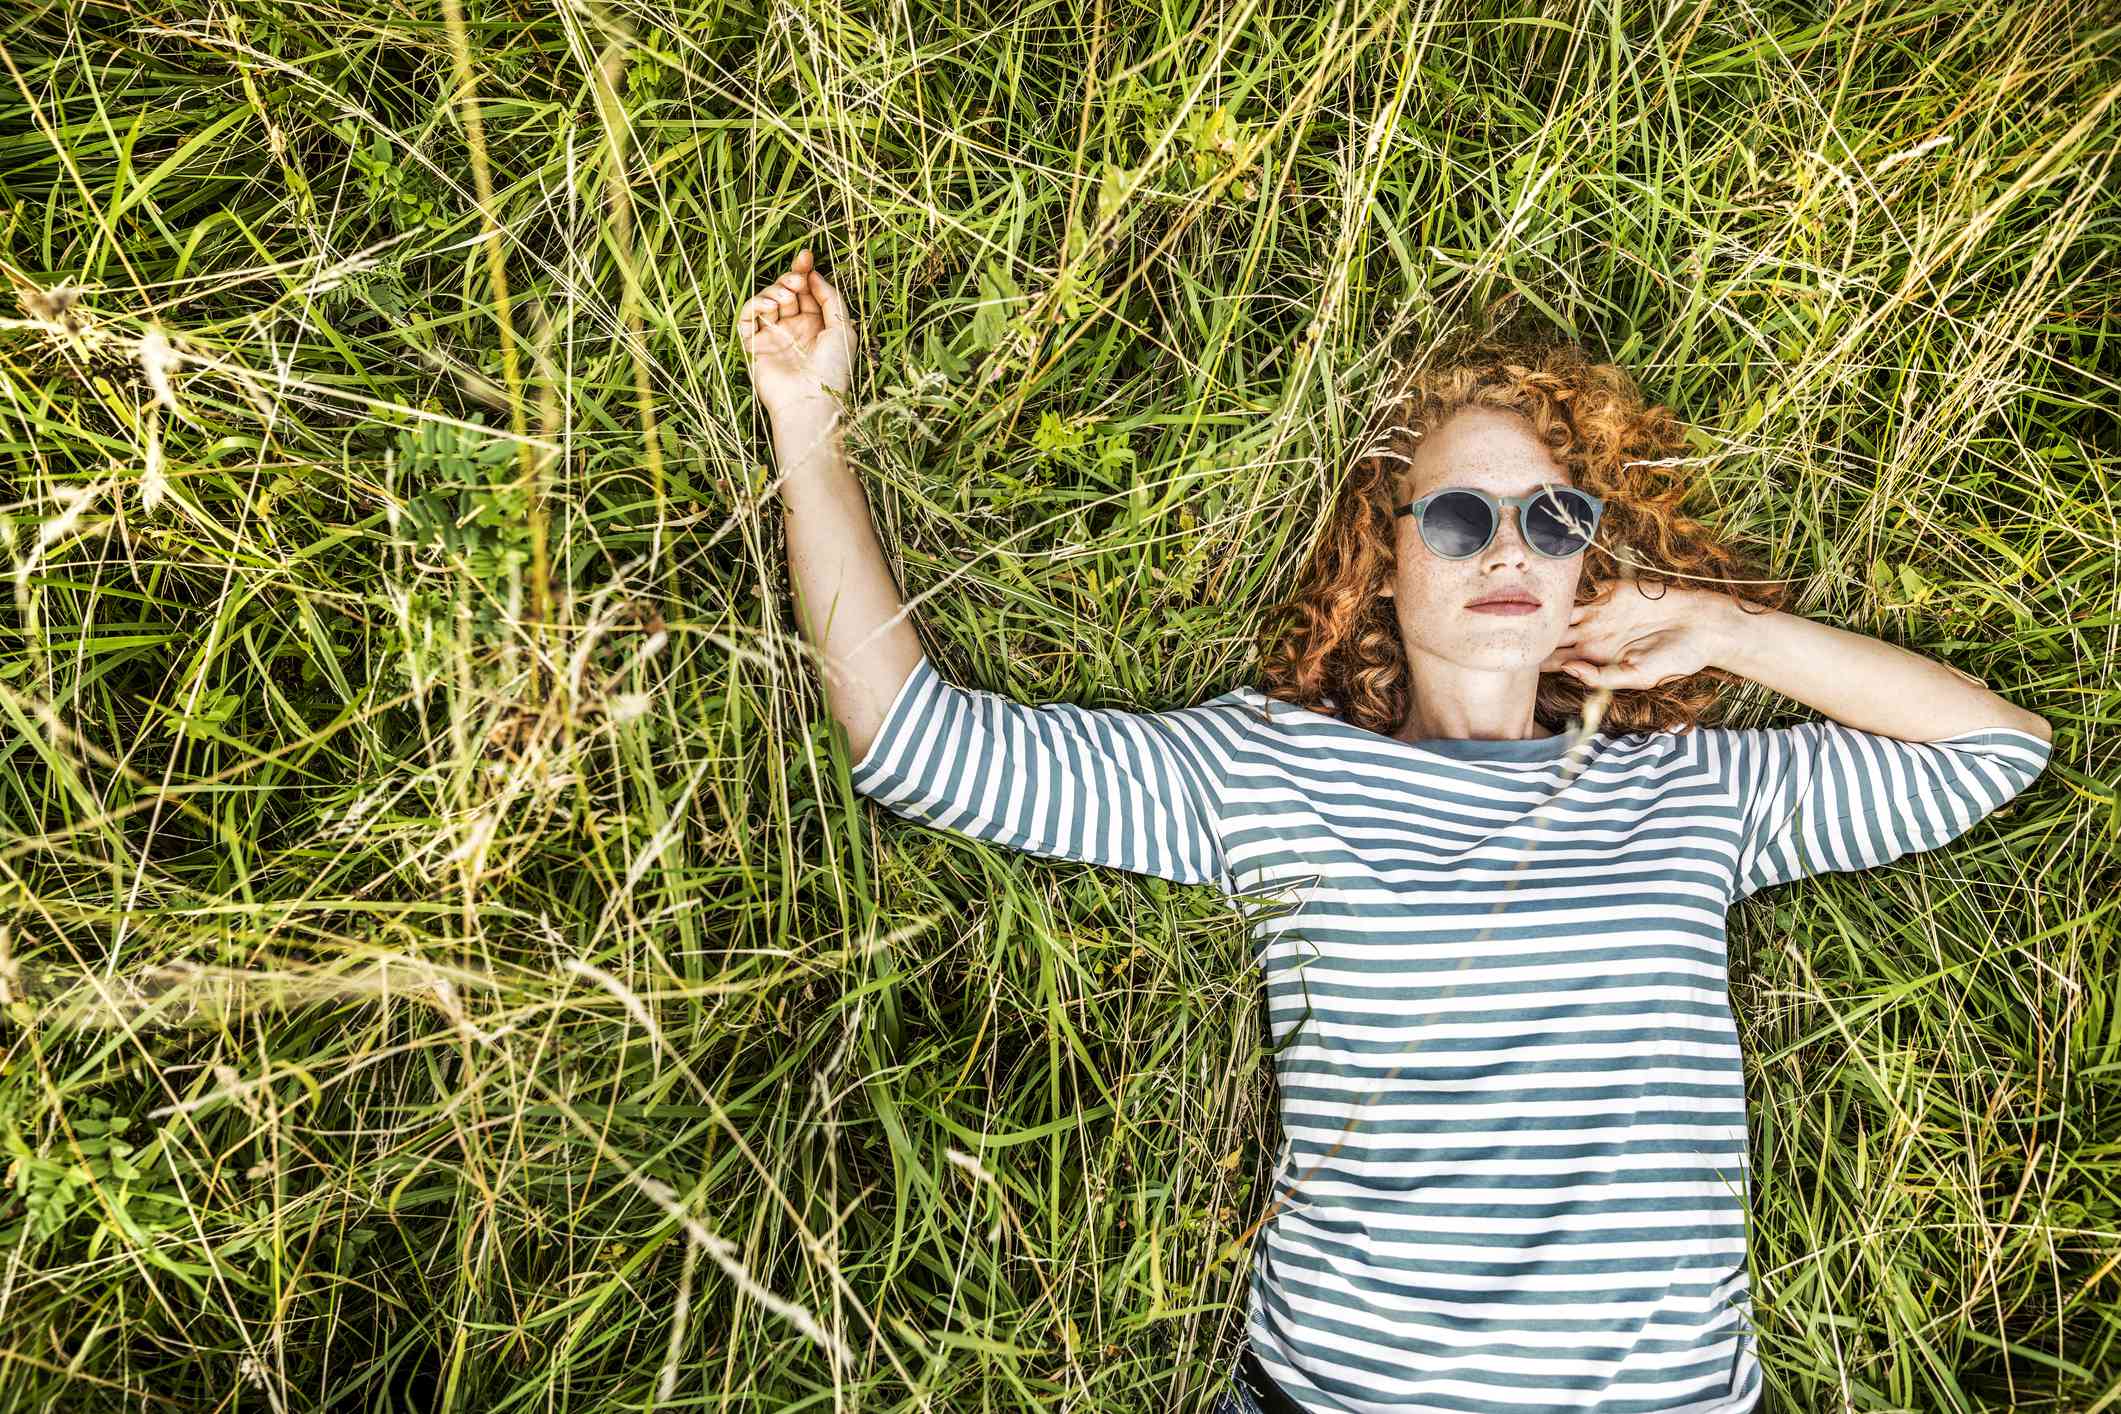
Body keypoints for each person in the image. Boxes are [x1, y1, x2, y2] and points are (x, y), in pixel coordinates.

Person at [739, 247, 2053, 1414]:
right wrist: (809, 419)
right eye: (1464, 516)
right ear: (1388, 549)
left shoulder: (1689, 789)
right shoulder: (1266, 768)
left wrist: (1731, 629)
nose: (1509, 553)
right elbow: (916, 743)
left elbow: (1994, 749)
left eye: (1551, 518)